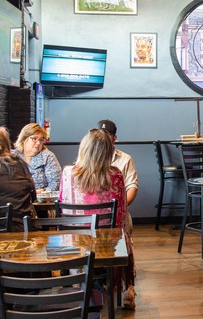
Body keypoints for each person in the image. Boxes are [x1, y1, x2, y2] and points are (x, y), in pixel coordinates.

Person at [59, 129, 137, 309]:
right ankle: (128, 289)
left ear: (83, 149)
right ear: (109, 151)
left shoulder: (68, 173)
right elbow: (120, 215)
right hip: (107, 243)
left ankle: (77, 282)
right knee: (126, 234)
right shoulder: (116, 174)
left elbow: (63, 206)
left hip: (75, 240)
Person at [96, 119, 139, 231]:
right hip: (92, 211)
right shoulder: (85, 159)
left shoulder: (125, 159)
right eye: (99, 134)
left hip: (116, 210)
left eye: (107, 134)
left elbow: (132, 187)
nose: (102, 138)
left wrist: (121, 207)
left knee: (126, 224)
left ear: (114, 138)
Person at [13, 123, 61, 191]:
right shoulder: (12, 156)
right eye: (34, 138)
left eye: (41, 140)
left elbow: (56, 184)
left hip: (41, 199)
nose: (38, 143)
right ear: (24, 139)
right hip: (16, 197)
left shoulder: (48, 156)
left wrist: (40, 193)